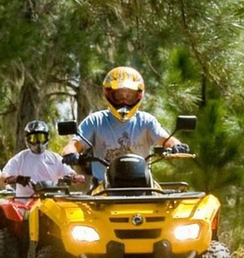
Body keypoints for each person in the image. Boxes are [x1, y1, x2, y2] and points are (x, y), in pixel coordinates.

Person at [60, 66, 189, 183]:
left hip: (143, 184)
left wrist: (176, 146)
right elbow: (73, 145)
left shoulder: (146, 120)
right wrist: (70, 154)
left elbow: (166, 139)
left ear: (138, 96)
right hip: (103, 187)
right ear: (109, 94)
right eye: (119, 95)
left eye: (129, 96)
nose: (124, 100)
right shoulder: (95, 121)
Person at [1, 120, 85, 202]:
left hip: (50, 203)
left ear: (47, 138)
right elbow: (4, 176)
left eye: (41, 138)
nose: (38, 142)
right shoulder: (20, 158)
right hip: (25, 205)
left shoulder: (55, 158)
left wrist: (75, 177)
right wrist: (15, 179)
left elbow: (70, 173)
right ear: (28, 140)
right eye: (34, 138)